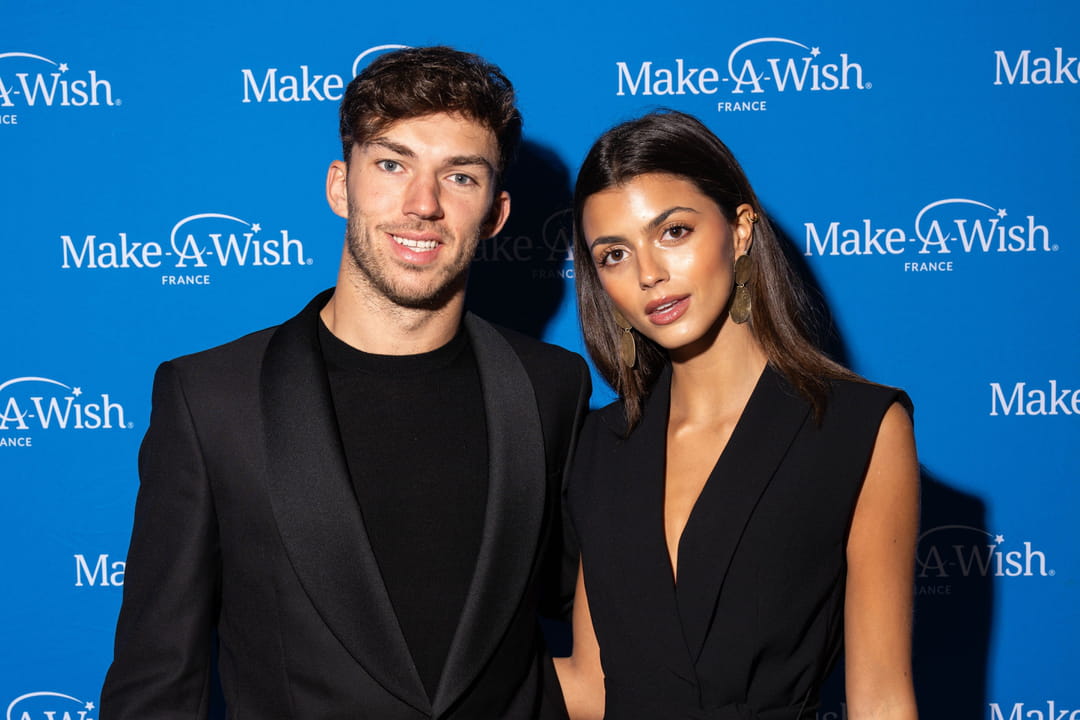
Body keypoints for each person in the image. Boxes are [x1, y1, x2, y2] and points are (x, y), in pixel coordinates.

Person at [101, 46, 590, 720]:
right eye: (392, 165)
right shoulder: (210, 400)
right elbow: (157, 683)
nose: (423, 204)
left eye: (460, 177)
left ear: (496, 214)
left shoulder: (551, 388)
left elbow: (608, 608)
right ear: (340, 186)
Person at [554, 111, 919, 720]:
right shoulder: (598, 444)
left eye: (673, 232)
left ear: (741, 229)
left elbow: (881, 699)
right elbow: (592, 687)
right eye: (614, 254)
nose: (649, 274)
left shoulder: (859, 428)